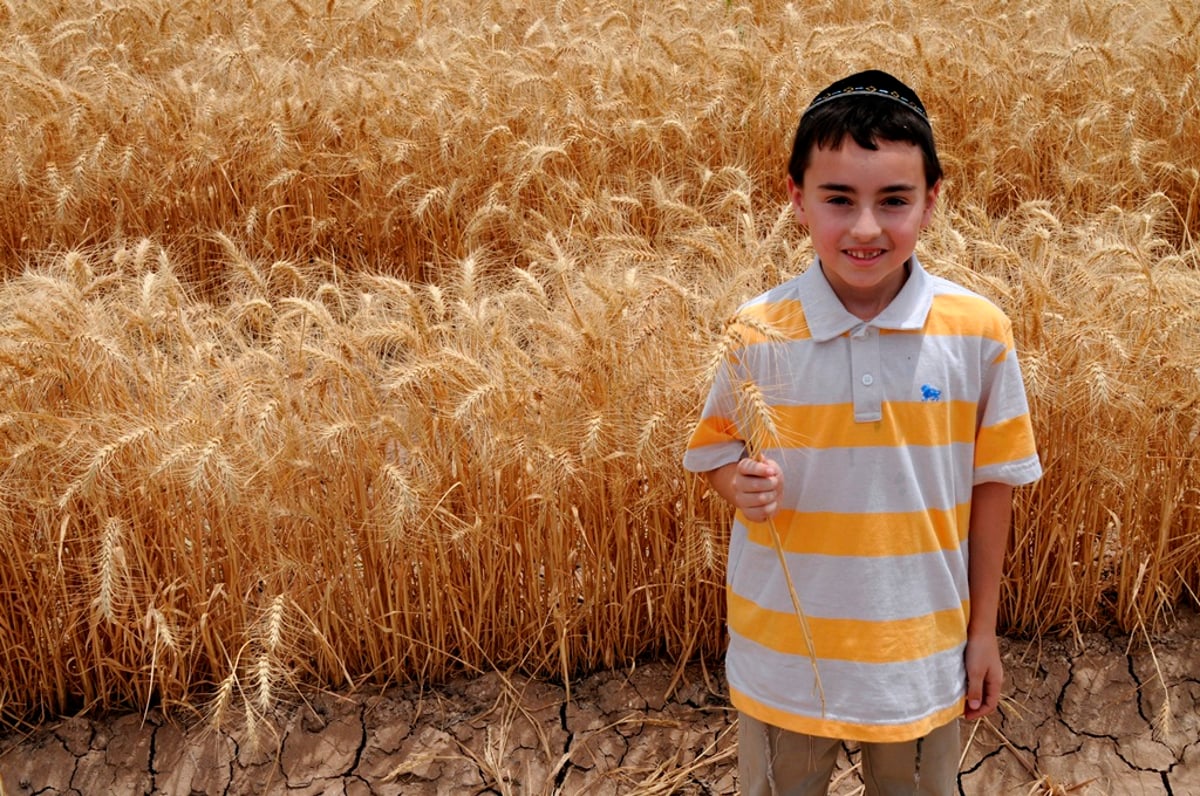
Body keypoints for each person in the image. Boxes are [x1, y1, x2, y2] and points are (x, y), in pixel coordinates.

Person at [683, 70, 1042, 795]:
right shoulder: (758, 331)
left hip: (920, 655)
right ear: (796, 198)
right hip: (786, 652)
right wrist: (738, 486)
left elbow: (993, 484)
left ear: (933, 200)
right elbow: (713, 450)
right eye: (839, 199)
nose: (867, 228)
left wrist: (983, 633)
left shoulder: (978, 333)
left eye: (895, 200)